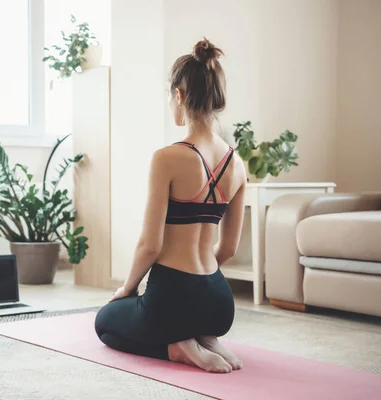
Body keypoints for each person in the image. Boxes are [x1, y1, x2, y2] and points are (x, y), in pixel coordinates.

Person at [94, 38, 246, 374]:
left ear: (178, 95)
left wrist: (127, 288)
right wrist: (204, 283)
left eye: (168, 96)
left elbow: (151, 245)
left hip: (173, 297)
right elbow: (229, 248)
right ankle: (206, 338)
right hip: (220, 303)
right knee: (183, 310)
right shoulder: (237, 165)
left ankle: (177, 347)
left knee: (105, 322)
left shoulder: (167, 158)